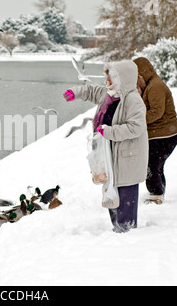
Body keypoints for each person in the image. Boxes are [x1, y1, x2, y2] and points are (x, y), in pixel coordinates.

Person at [63, 60, 148, 233]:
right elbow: (91, 90)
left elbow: (136, 128)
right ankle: (117, 229)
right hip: (108, 153)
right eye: (108, 75)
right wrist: (75, 92)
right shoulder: (110, 94)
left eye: (111, 76)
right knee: (111, 192)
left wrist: (109, 131)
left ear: (121, 78)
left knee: (125, 195)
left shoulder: (133, 100)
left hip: (126, 157)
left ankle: (128, 233)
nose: (107, 79)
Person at [133, 57, 177, 205]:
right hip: (163, 134)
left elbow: (156, 112)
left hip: (165, 135)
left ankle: (156, 195)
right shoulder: (150, 86)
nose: (136, 80)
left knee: (151, 165)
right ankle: (158, 192)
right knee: (156, 165)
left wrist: (136, 122)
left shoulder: (155, 86)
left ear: (144, 73)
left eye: (137, 77)